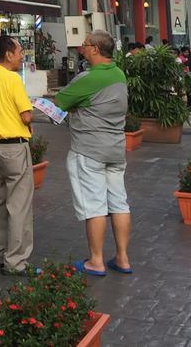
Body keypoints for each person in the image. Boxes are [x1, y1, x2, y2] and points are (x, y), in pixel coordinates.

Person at [53, 30, 131, 277]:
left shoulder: (88, 78)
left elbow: (60, 102)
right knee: (119, 203)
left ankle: (96, 260)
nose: (82, 48)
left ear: (96, 49)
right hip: (116, 150)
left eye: (85, 45)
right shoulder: (119, 74)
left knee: (95, 206)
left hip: (89, 150)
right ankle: (122, 257)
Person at [0, 35, 35, 276]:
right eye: (20, 51)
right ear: (9, 54)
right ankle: (15, 261)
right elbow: (26, 116)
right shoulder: (12, 79)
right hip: (15, 147)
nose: (22, 55)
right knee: (19, 206)